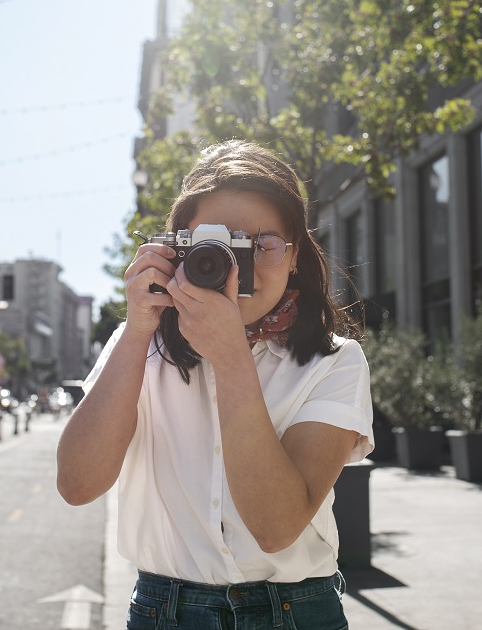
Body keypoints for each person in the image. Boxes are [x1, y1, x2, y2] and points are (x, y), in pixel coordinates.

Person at [57, 140, 374, 630]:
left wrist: (231, 359)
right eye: (216, 244)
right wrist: (139, 328)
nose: (232, 264)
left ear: (294, 256)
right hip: (166, 611)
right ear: (176, 248)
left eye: (261, 244)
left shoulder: (335, 362)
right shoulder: (138, 345)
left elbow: (276, 528)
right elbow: (77, 486)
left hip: (296, 614)